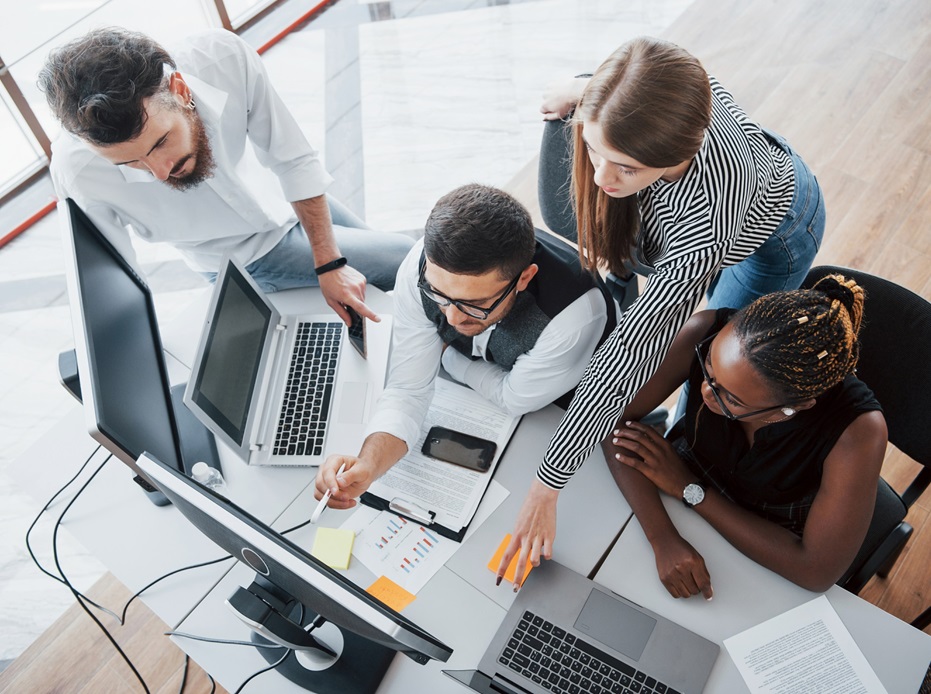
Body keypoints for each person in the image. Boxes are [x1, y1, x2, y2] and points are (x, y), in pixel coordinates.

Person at [498, 36, 827, 584]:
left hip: (776, 230)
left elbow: (631, 352)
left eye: (624, 168)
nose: (601, 178)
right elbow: (631, 85)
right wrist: (581, 91)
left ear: (676, 155)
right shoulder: (665, 81)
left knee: (719, 364)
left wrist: (546, 485)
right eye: (594, 150)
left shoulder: (704, 222)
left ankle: (685, 442)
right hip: (726, 169)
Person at [39, 27, 413, 324]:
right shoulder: (78, 172)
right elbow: (117, 278)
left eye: (160, 143)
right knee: (406, 262)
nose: (160, 172)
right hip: (245, 257)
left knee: (408, 271)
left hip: (283, 199)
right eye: (129, 164)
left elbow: (292, 158)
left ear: (179, 90)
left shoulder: (223, 59)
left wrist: (329, 263)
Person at [313, 184, 615, 509]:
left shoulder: (572, 320)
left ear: (524, 278)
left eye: (475, 303)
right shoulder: (422, 267)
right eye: (439, 295)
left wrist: (446, 356)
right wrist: (368, 465)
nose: (451, 318)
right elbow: (408, 389)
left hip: (569, 399)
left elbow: (514, 398)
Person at [606, 275, 886, 595]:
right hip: (674, 483)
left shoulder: (858, 432)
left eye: (732, 399)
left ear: (794, 408)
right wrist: (662, 537)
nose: (705, 392)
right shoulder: (704, 330)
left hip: (771, 536)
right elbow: (609, 417)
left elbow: (815, 570)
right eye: (709, 366)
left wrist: (689, 489)